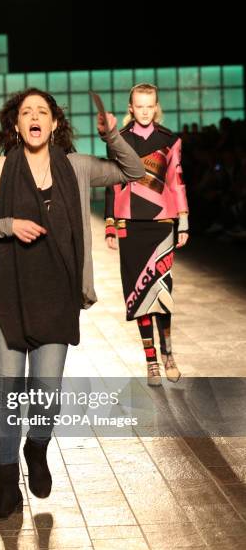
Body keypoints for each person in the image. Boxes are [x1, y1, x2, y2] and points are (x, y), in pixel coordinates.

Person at [0, 88, 145, 521]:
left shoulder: (75, 167)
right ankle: (7, 489)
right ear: (16, 125)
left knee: (46, 395)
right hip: (6, 295)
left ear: (55, 123)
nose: (35, 117)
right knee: (7, 394)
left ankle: (36, 447)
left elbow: (132, 172)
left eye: (43, 112)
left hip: (57, 296)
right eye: (26, 112)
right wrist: (6, 225)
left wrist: (113, 135)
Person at [104, 83, 189, 386]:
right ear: (131, 108)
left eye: (149, 106)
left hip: (162, 222)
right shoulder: (119, 141)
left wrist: (183, 219)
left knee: (162, 294)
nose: (144, 111)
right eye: (139, 106)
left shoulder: (169, 140)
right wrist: (111, 224)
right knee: (139, 295)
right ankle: (151, 361)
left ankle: (168, 355)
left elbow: (176, 181)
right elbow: (113, 183)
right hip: (131, 224)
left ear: (156, 107)